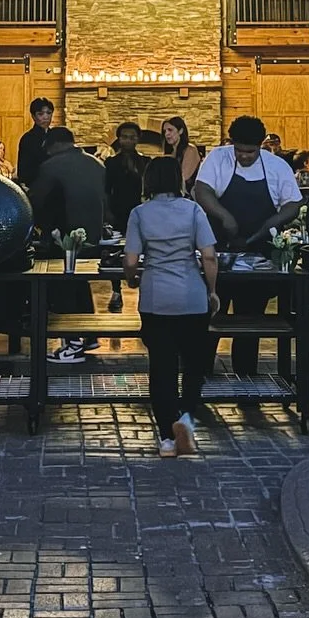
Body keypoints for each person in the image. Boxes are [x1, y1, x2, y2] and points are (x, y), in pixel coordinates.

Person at [124, 157, 220, 457]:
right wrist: (212, 291)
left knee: (161, 370)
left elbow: (129, 260)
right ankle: (187, 422)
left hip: (156, 298)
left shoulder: (139, 213)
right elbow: (209, 256)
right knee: (193, 367)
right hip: (191, 297)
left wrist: (132, 280)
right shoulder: (193, 210)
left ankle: (166, 438)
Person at [194, 116, 303, 377]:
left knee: (250, 321)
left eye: (250, 152)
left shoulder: (276, 167)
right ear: (232, 144)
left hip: (258, 258)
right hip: (217, 254)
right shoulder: (217, 158)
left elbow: (293, 204)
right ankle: (200, 380)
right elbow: (202, 190)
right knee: (209, 318)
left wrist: (270, 224)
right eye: (239, 150)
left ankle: (246, 381)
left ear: (260, 146)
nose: (244, 157)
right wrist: (224, 216)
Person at [29, 125, 107, 364]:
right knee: (80, 282)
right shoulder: (97, 164)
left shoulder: (51, 166)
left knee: (60, 287)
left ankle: (71, 343)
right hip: (93, 238)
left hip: (63, 240)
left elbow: (35, 201)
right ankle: (90, 334)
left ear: (53, 145)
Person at [104, 121, 152, 235]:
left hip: (140, 208)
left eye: (132, 137)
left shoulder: (146, 161)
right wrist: (107, 212)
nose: (128, 141)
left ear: (137, 139)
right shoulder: (111, 162)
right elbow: (106, 189)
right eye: (125, 137)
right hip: (117, 210)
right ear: (119, 139)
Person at [17, 97, 56, 190]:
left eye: (49, 113)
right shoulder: (28, 138)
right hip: (35, 185)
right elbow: (23, 169)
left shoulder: (55, 136)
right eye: (40, 114)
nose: (45, 117)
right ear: (33, 116)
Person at [160, 116, 202, 194]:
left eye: (170, 130)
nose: (167, 134)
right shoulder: (170, 153)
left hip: (188, 196)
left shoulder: (190, 150)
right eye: (164, 131)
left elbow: (184, 177)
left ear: (180, 131)